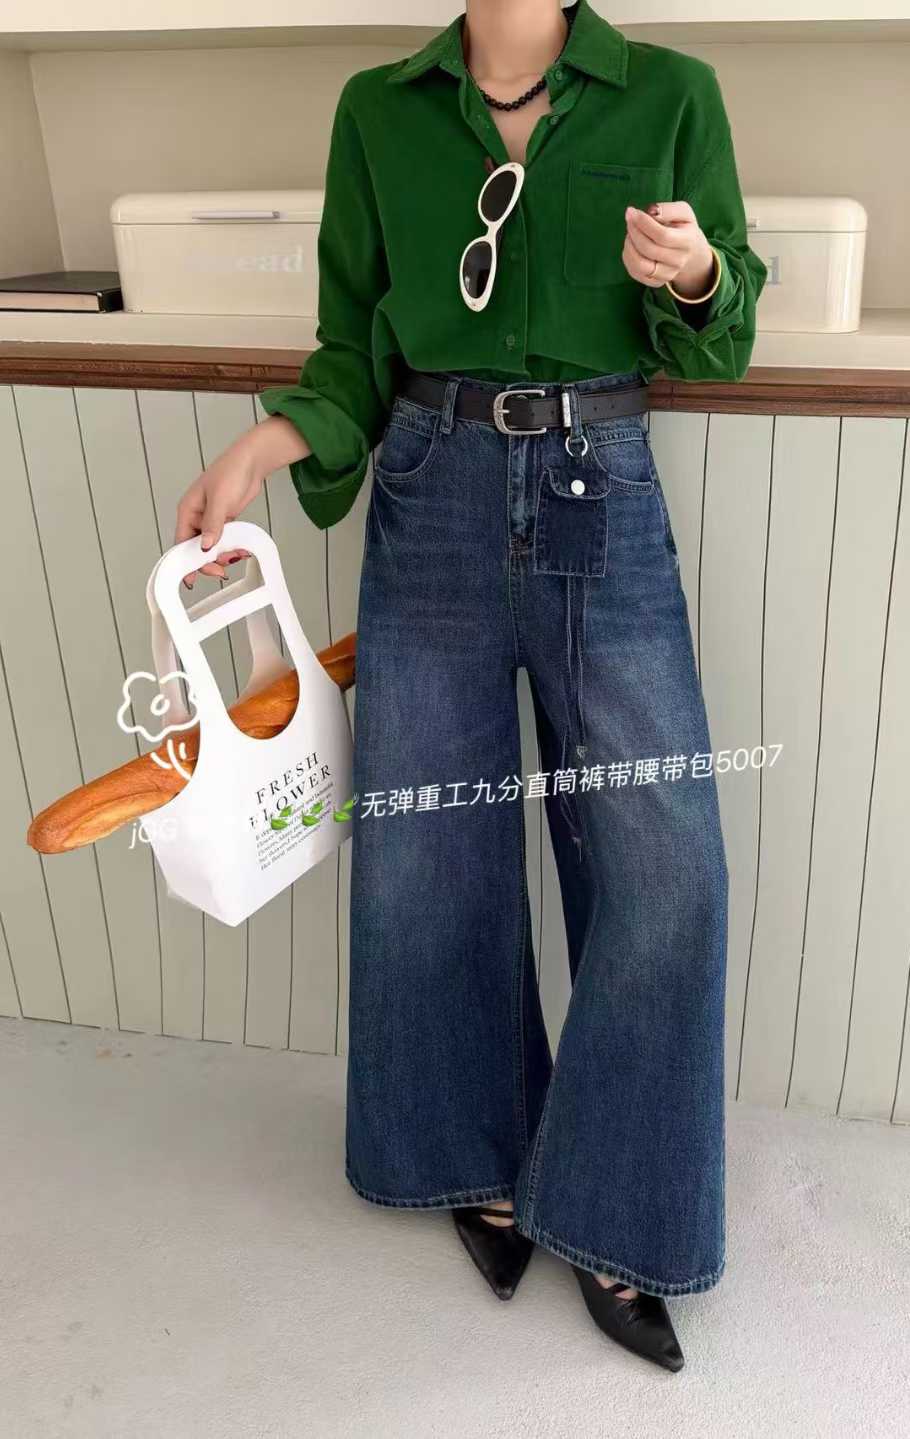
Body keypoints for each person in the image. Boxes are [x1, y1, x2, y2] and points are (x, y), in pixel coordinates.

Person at [175, 0, 766, 1374]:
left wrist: (694, 276)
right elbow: (351, 349)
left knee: (665, 861)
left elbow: (717, 336)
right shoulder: (379, 111)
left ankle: (620, 1204)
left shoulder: (669, 93)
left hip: (598, 479)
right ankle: (477, 1154)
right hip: (431, 487)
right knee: (432, 846)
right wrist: (270, 443)